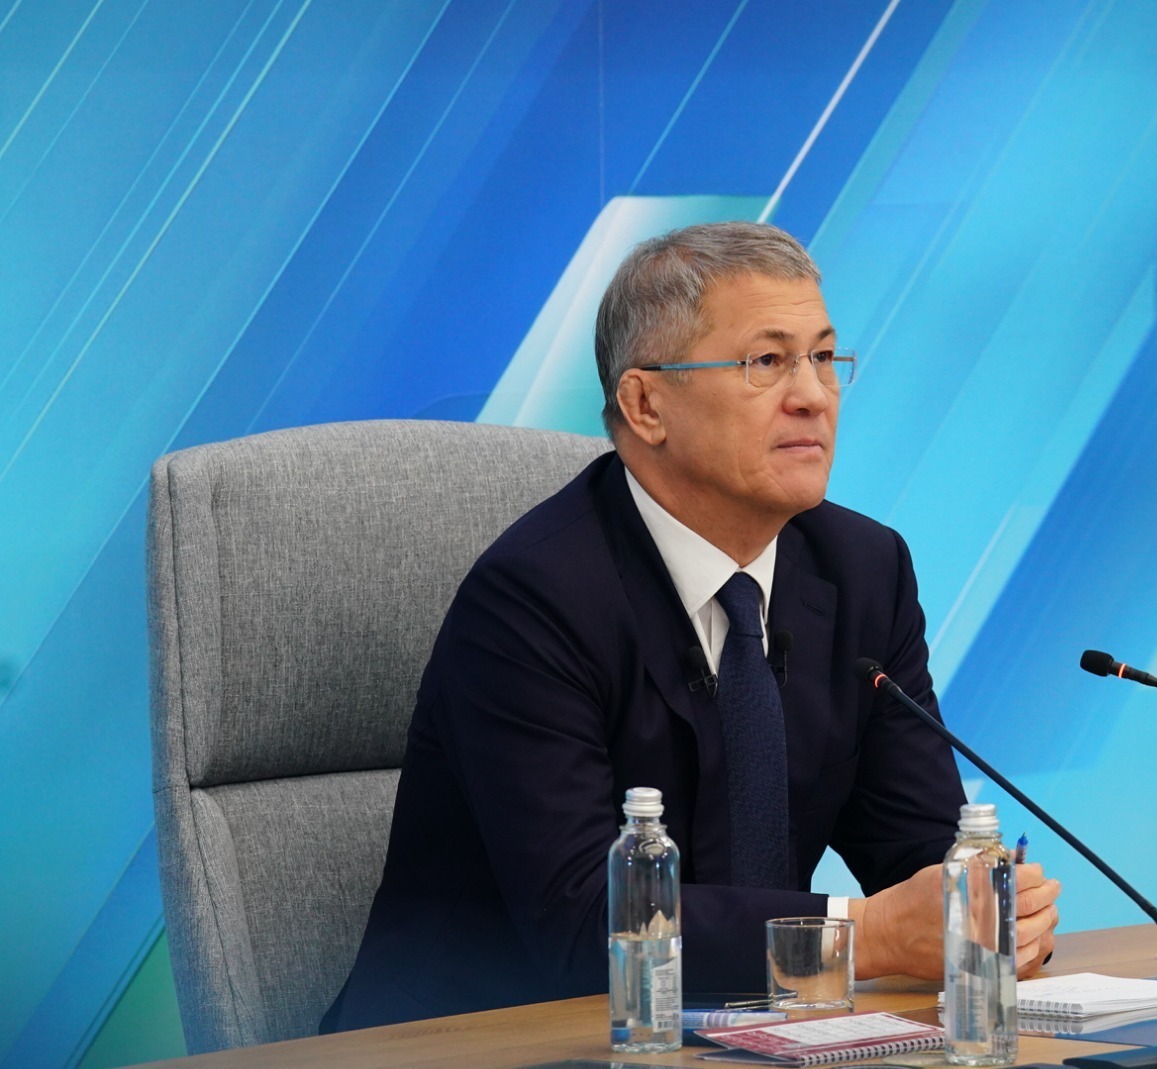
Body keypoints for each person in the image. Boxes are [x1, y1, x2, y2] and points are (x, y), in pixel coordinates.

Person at [324, 222, 1059, 1031]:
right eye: (767, 361)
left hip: (745, 1035)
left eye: (823, 358)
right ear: (646, 405)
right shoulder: (533, 597)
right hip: (492, 1040)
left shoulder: (862, 570)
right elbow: (585, 925)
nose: (813, 395)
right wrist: (869, 934)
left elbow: (922, 855)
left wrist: (989, 915)